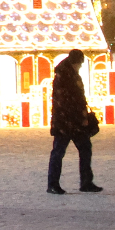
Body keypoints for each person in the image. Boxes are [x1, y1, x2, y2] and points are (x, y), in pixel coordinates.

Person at [47, 49, 102, 194]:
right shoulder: (64, 76)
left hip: (71, 121)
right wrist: (79, 116)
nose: (81, 66)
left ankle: (85, 182)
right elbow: (66, 100)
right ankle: (54, 184)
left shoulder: (69, 74)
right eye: (80, 63)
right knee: (60, 152)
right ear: (75, 62)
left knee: (81, 149)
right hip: (66, 122)